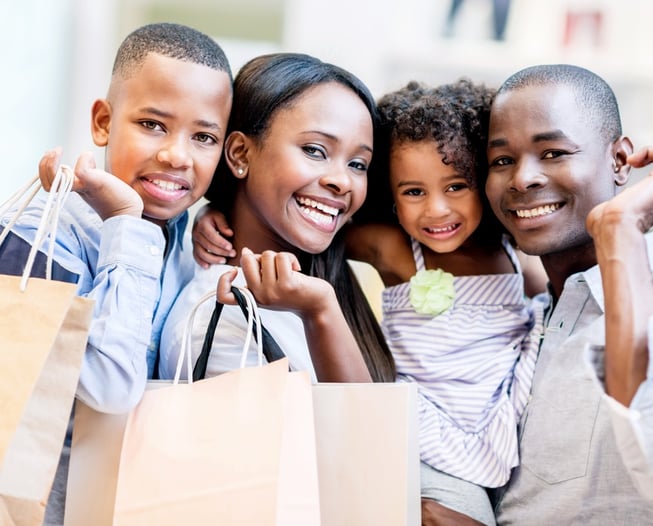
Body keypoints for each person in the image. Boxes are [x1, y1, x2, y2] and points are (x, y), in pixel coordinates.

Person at [191, 77, 546, 525]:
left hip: (494, 430)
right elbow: (314, 218)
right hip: (423, 430)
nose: (437, 210)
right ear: (393, 198)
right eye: (414, 192)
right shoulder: (394, 248)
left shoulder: (516, 255)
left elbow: (545, 308)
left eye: (456, 186)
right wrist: (212, 211)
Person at [421, 64, 653, 525]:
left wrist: (621, 228)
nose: (522, 179)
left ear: (619, 160)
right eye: (501, 160)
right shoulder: (523, 323)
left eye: (552, 152)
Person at [1, 23, 233, 525]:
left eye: (203, 136)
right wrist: (126, 222)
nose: (176, 154)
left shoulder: (183, 243)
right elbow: (109, 388)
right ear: (103, 123)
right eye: (153, 124)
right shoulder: (39, 241)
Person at [159, 53, 396, 384]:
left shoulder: (322, 276)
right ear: (241, 154)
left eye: (358, 164)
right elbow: (364, 434)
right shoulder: (221, 315)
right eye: (315, 150)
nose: (342, 181)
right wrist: (320, 311)